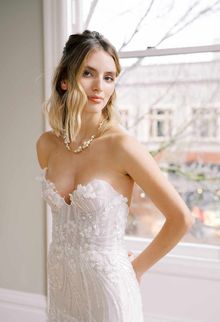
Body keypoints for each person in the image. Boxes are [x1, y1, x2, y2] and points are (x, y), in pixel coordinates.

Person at [36, 30, 193, 322]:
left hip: (109, 291)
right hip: (61, 288)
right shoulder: (47, 145)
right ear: (65, 81)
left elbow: (181, 218)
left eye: (109, 77)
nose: (99, 86)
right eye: (88, 73)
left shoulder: (122, 146)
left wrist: (138, 268)